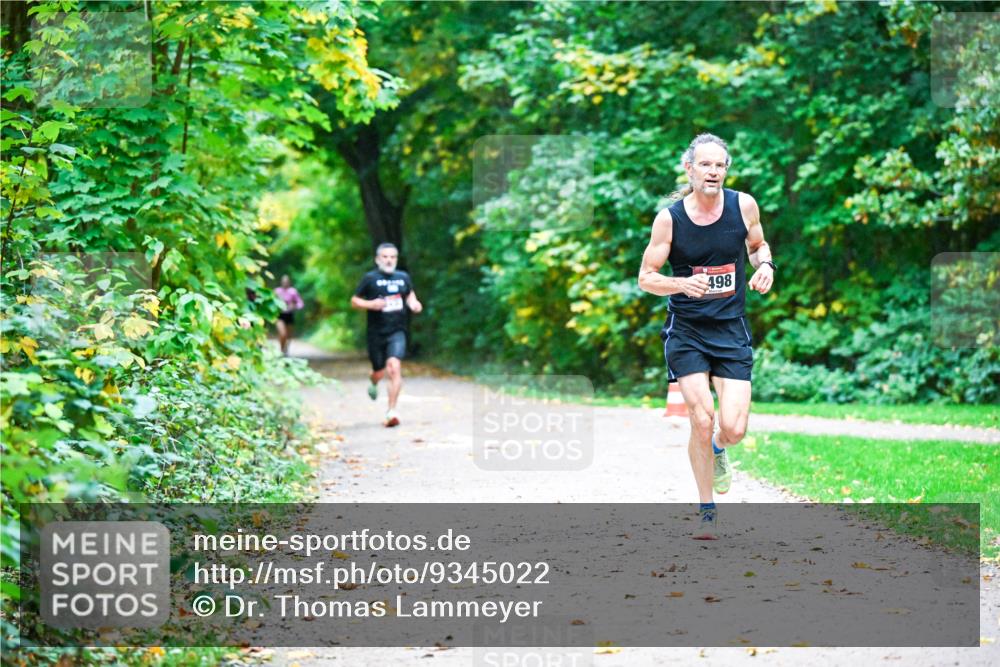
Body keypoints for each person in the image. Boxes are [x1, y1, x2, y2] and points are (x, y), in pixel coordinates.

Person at [637, 133, 775, 540]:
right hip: (688, 333)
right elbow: (646, 278)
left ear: (725, 170)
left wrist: (765, 266)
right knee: (701, 418)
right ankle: (707, 510)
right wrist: (681, 285)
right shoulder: (670, 219)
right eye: (705, 165)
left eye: (720, 165)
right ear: (690, 169)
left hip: (731, 330)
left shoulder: (743, 205)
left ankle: (718, 449)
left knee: (732, 428)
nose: (713, 172)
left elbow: (758, 245)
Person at [351, 243, 423, 427]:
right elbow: (354, 300)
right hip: (376, 333)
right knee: (379, 371)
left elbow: (410, 295)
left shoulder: (403, 277)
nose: (389, 260)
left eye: (392, 257)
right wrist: (371, 304)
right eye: (385, 257)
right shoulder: (370, 278)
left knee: (394, 367)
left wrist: (414, 304)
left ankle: (391, 411)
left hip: (397, 330)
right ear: (377, 259)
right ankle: (373, 381)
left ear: (396, 259)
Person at [274, 275, 304, 356]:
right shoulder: (277, 291)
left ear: (289, 282)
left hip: (289, 315)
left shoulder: (293, 291)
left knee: (288, 335)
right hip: (279, 315)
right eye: (283, 281)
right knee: (282, 333)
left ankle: (285, 349)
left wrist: (294, 306)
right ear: (281, 282)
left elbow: (300, 303)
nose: (285, 283)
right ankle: (281, 350)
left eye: (286, 281)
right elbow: (271, 302)